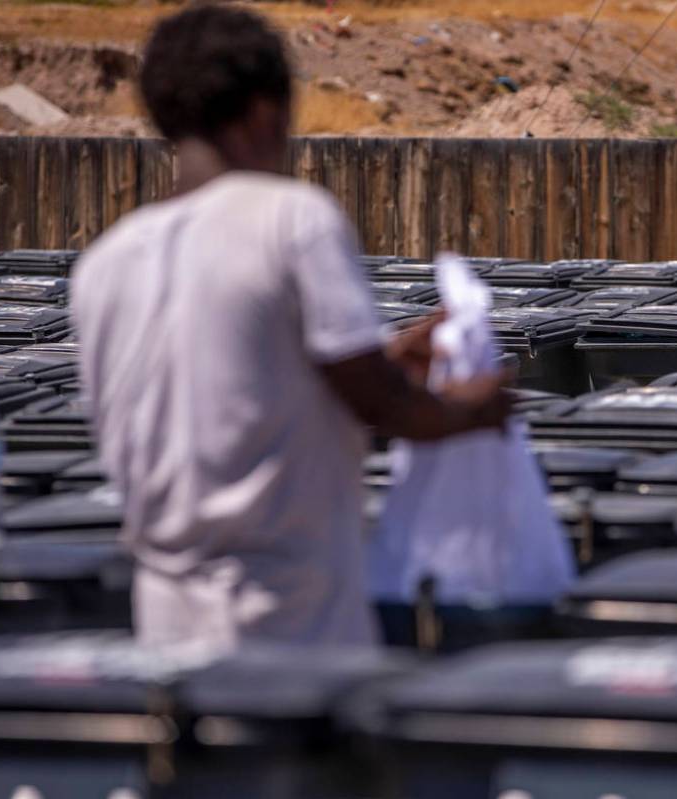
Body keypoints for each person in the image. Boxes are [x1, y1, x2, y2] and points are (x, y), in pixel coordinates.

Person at [71, 5, 511, 647]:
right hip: (290, 621)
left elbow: (213, 406)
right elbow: (380, 402)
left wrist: (384, 354)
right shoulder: (291, 221)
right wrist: (475, 408)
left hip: (162, 627)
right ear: (265, 111)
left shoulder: (105, 263)